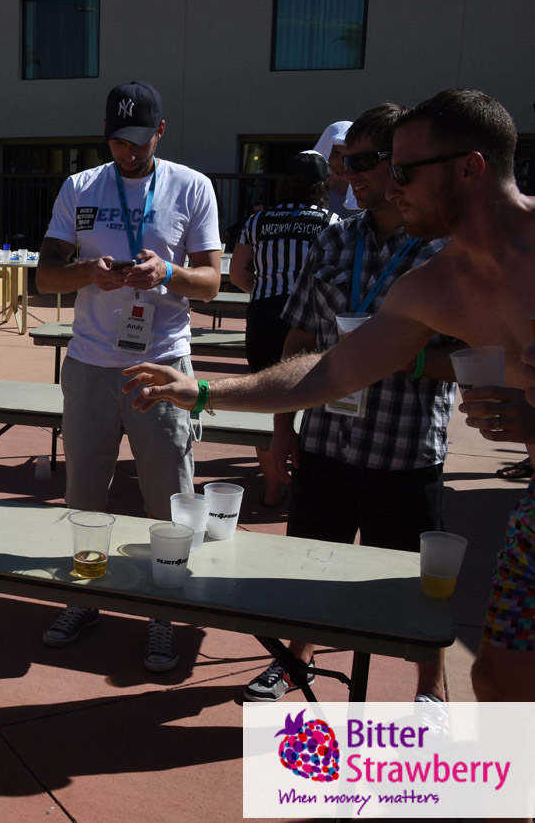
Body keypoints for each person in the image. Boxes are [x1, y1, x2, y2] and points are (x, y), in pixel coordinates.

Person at [124, 89, 535, 703]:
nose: (388, 187)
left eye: (402, 171)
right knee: (500, 682)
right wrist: (204, 390)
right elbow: (328, 372)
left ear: (470, 168)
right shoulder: (436, 286)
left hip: (407, 455)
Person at [244, 105, 457, 703]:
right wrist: (283, 432)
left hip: (404, 454)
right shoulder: (335, 239)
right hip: (328, 444)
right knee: (309, 568)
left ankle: (431, 688)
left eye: (362, 161)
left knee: (418, 587)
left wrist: (398, 357)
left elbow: (468, 356)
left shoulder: (443, 251)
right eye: (344, 162)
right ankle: (296, 663)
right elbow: (299, 342)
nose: (348, 174)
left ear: (401, 164)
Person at [34, 81, 222, 672]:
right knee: (85, 494)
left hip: (161, 362)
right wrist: (87, 271)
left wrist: (168, 271)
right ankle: (85, 596)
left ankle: (162, 611)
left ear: (159, 133)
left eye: (138, 141)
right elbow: (46, 276)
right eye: (117, 141)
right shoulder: (80, 186)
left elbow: (214, 281)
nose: (127, 152)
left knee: (167, 497)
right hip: (90, 364)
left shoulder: (192, 187)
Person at [229, 151, 339, 505]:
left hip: (264, 313)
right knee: (316, 395)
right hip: (312, 319)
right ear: (321, 186)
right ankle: (310, 478)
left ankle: (274, 484)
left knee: (266, 394)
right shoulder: (331, 221)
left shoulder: (257, 221)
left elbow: (238, 274)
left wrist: (264, 293)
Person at [313, 121, 360, 219]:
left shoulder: (367, 188)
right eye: (337, 153)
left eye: (348, 155)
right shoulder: (313, 190)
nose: (342, 161)